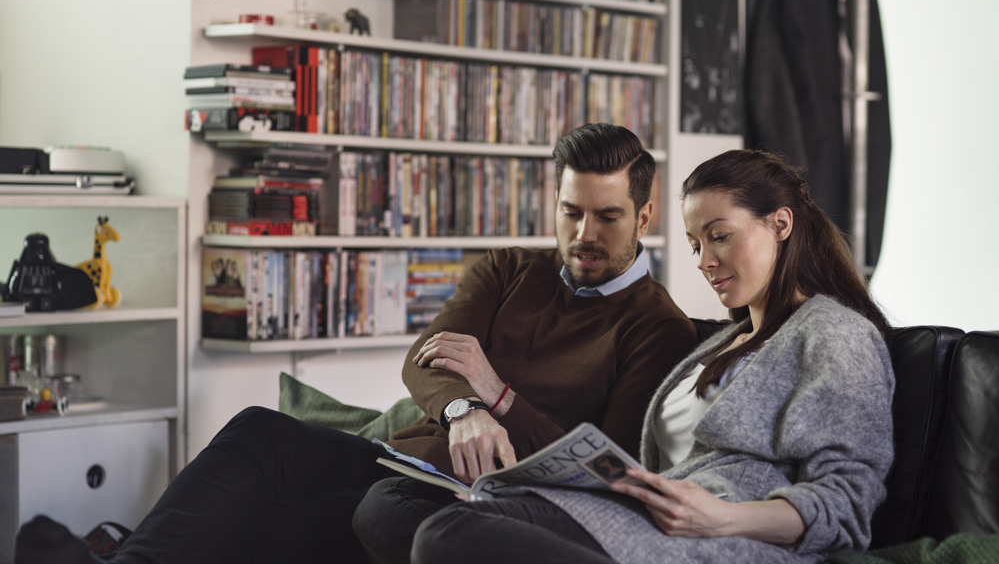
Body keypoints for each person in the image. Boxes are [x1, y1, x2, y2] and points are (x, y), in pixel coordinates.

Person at [14, 123, 699, 564]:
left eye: (607, 217)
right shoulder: (509, 269)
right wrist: (465, 410)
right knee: (260, 433)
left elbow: (608, 464)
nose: (584, 234)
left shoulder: (657, 326)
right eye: (570, 211)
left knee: (295, 524)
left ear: (644, 215)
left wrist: (499, 394)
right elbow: (427, 358)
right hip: (404, 463)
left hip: (487, 506)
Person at [353, 148, 896, 564]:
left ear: (780, 224)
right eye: (694, 244)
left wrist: (720, 517)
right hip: (634, 515)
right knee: (392, 508)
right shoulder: (718, 342)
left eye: (720, 237)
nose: (705, 261)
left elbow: (847, 505)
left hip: (717, 542)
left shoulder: (835, 333)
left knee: (446, 534)